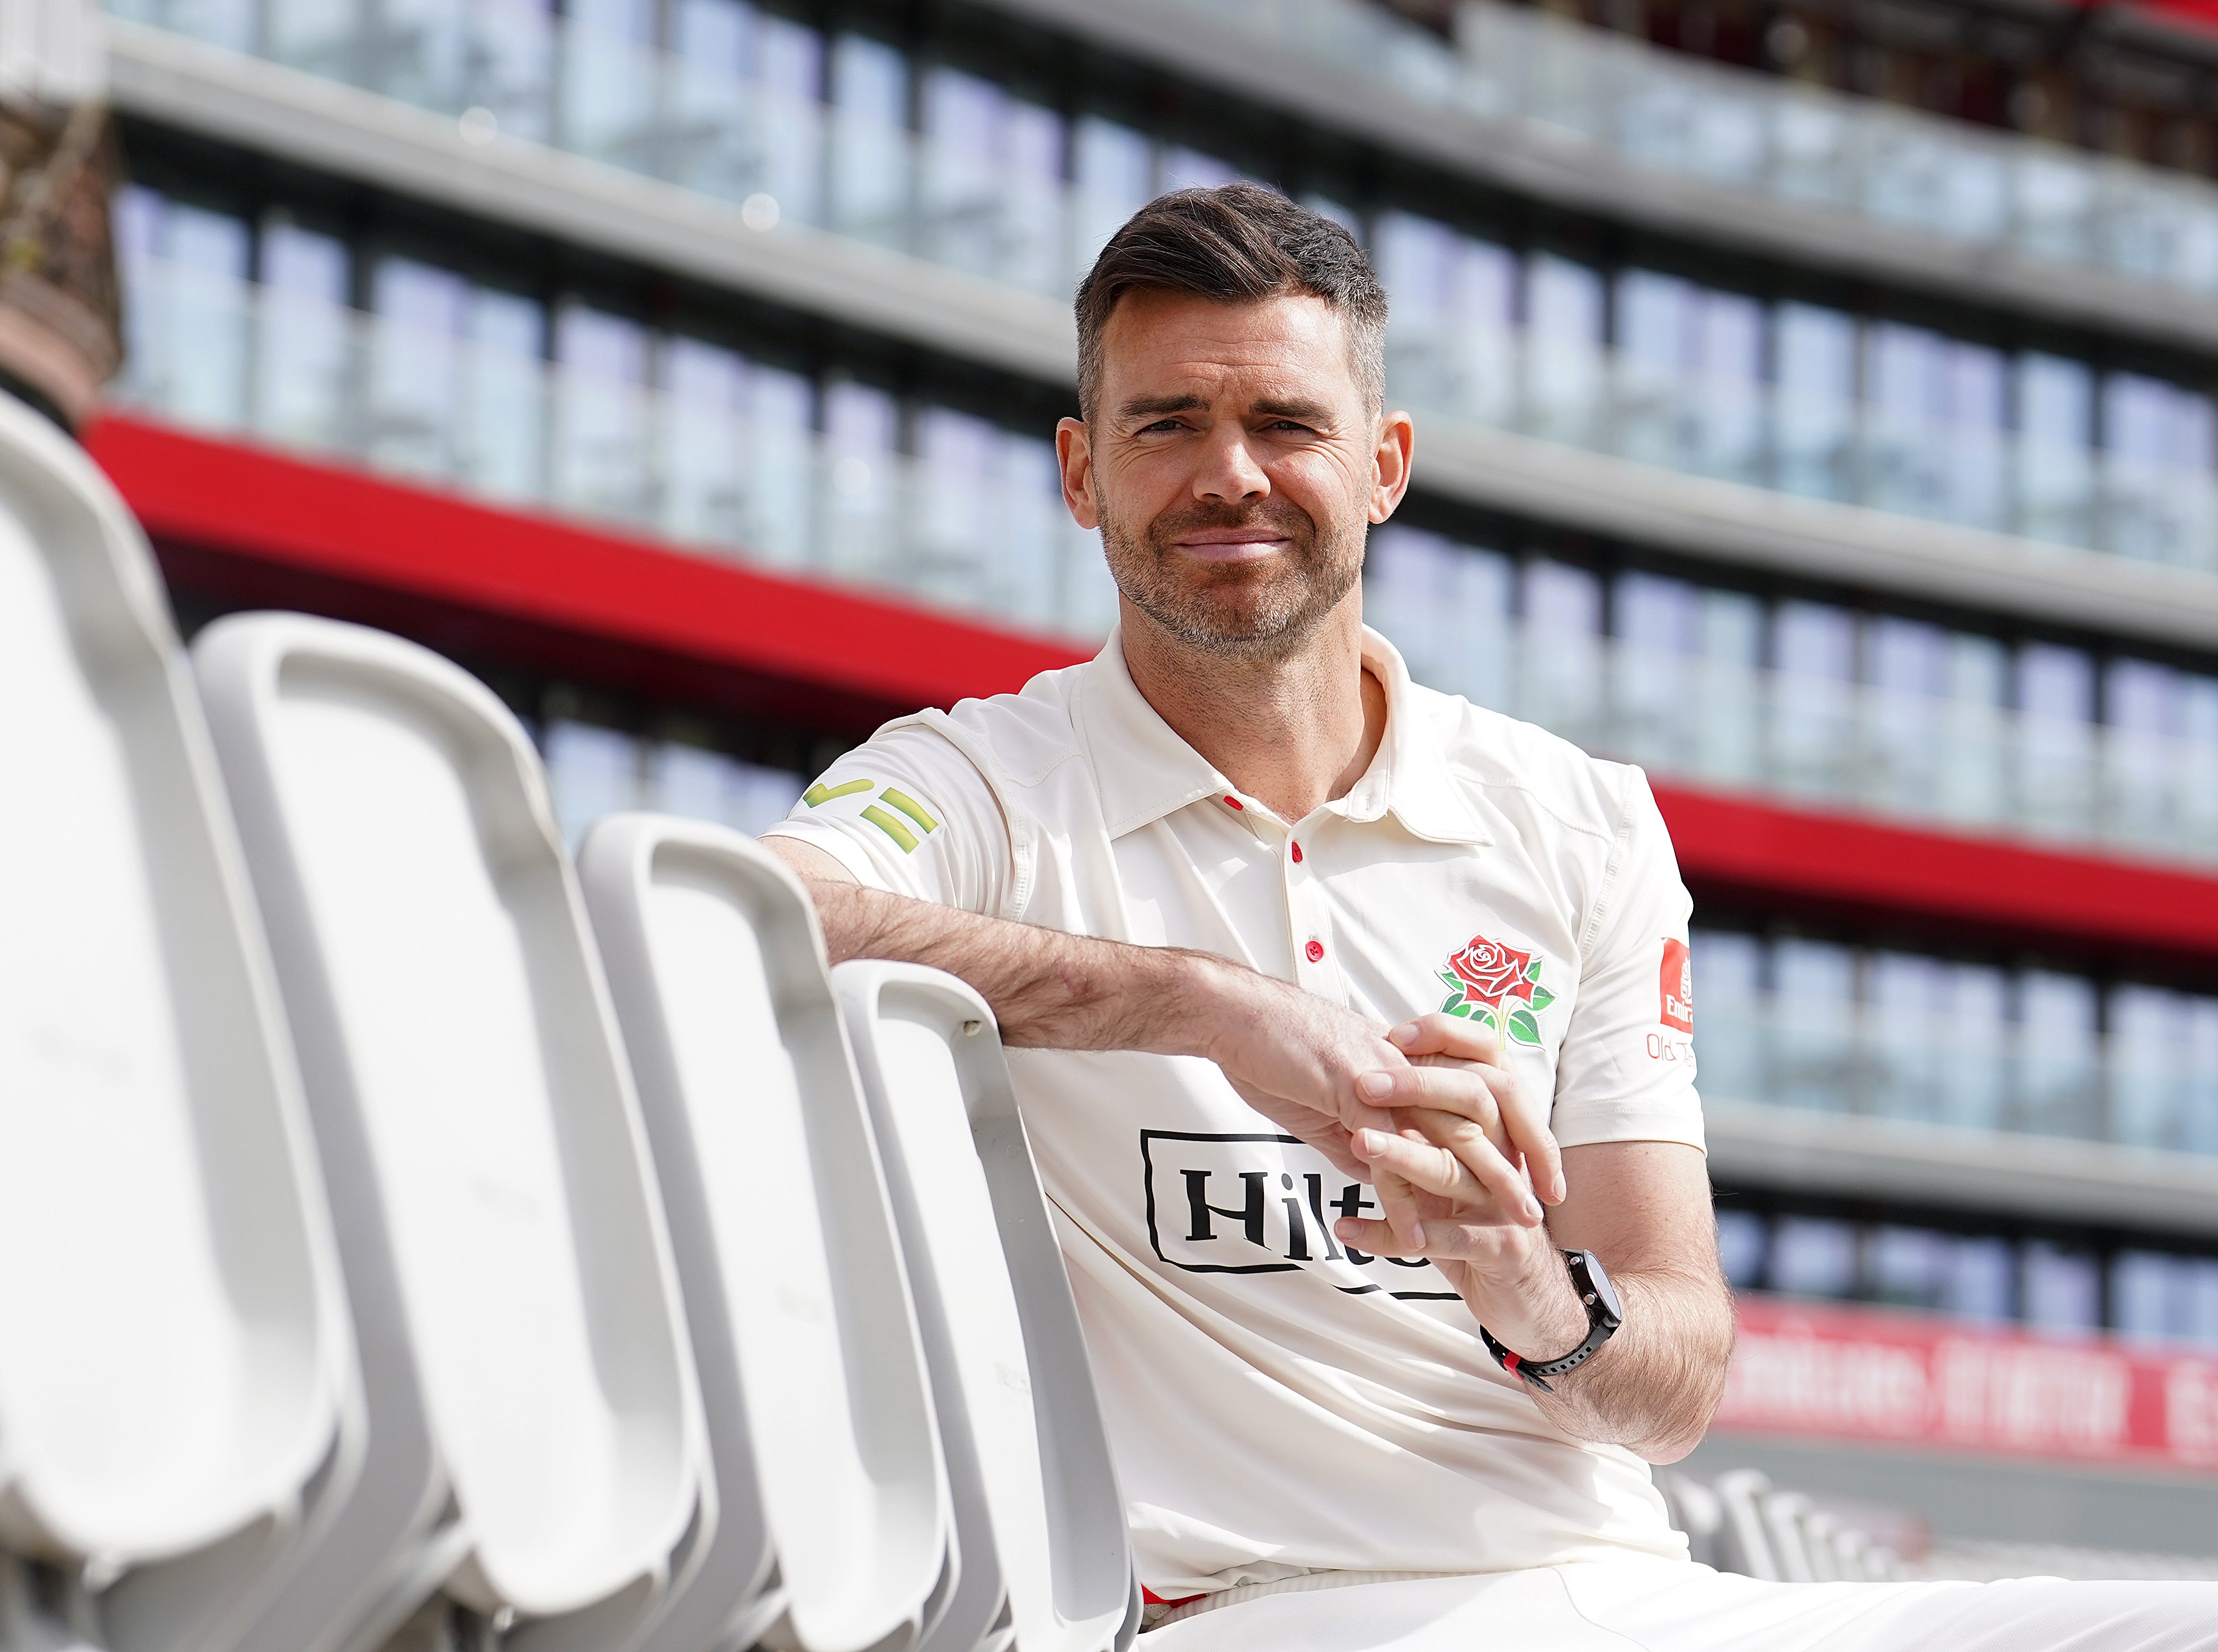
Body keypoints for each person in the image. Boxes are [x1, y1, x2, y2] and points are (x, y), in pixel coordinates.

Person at [759, 183, 2218, 1650]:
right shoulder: (981, 780)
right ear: (1080, 473)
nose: (1229, 475)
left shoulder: (1575, 817)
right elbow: (765, 919)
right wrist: (1213, 1007)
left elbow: (1678, 1374)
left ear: (1382, 465)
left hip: (1625, 1593)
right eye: (1165, 426)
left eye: (1284, 423)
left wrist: (1535, 1292)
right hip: (1260, 1608)